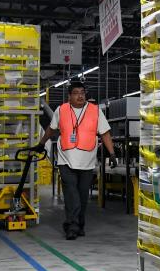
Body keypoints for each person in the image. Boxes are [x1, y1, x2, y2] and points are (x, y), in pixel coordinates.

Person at [33, 80, 117, 240]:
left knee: (82, 195)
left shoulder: (95, 111)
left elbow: (105, 133)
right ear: (69, 96)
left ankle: (80, 224)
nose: (80, 96)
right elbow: (51, 128)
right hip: (66, 159)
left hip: (87, 161)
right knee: (72, 193)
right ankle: (71, 226)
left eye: (82, 93)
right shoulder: (61, 110)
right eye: (76, 93)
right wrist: (41, 143)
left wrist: (112, 153)